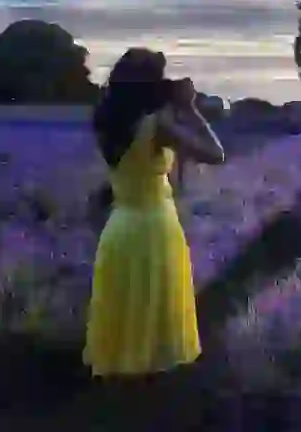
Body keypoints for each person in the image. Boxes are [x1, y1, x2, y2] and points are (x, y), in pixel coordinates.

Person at [84, 48, 226, 380]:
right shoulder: (157, 126)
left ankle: (121, 395)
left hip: (119, 228)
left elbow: (123, 173)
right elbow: (215, 153)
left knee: (126, 314)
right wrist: (190, 110)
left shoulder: (108, 124)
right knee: (154, 314)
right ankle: (151, 395)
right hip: (154, 227)